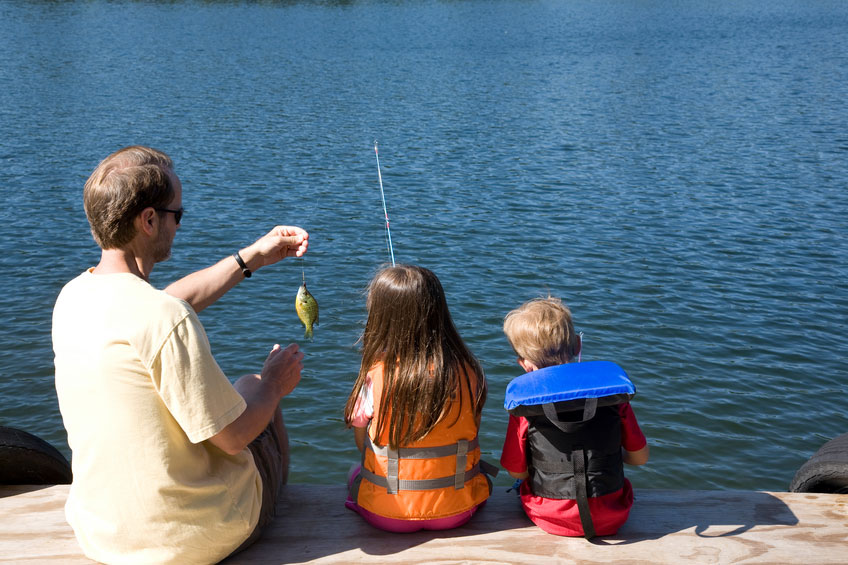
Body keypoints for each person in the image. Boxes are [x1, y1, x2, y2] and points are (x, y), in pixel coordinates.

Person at [52, 146, 309, 564]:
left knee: (245, 392)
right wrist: (274, 385)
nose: (178, 224)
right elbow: (232, 438)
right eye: (178, 214)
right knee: (255, 388)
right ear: (149, 221)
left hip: (102, 531)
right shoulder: (163, 318)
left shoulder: (74, 296)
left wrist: (251, 258)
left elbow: (165, 304)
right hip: (185, 538)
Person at [343, 265, 495, 532]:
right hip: (458, 510)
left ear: (379, 317)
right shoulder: (470, 371)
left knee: (354, 471)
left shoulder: (375, 374)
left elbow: (362, 444)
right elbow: (473, 431)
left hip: (388, 515)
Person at [499, 297, 650, 537]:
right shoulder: (612, 396)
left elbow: (516, 471)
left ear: (524, 364)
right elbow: (640, 458)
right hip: (613, 513)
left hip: (547, 516)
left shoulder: (524, 406)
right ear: (577, 345)